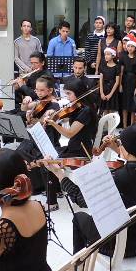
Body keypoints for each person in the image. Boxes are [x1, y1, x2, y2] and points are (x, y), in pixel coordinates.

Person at [43, 125, 136, 256]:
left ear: (126, 152)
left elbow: (80, 199)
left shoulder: (115, 178)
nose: (119, 146)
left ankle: (77, 269)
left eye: (121, 144)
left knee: (79, 217)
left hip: (115, 246)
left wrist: (60, 175)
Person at [44, 78, 98, 210]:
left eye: (68, 94)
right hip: (74, 146)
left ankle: (52, 202)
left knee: (48, 162)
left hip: (81, 151)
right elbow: (67, 115)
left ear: (78, 93)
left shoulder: (86, 111)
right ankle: (57, 190)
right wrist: (53, 113)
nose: (67, 98)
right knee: (48, 155)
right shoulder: (78, 107)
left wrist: (53, 124)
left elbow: (69, 133)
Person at [120, 33, 136, 126]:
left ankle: (132, 125)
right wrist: (120, 84)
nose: (130, 48)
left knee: (133, 105)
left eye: (132, 46)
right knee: (125, 104)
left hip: (134, 80)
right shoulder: (123, 56)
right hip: (125, 80)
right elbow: (121, 71)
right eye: (128, 46)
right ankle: (124, 126)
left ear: (135, 47)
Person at [99, 47, 121, 115]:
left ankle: (111, 125)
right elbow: (101, 80)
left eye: (108, 54)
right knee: (105, 110)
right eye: (105, 54)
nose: (106, 56)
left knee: (111, 111)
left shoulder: (117, 67)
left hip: (112, 90)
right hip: (105, 88)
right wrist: (101, 93)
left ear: (113, 55)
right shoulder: (102, 66)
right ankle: (105, 125)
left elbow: (117, 82)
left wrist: (110, 94)